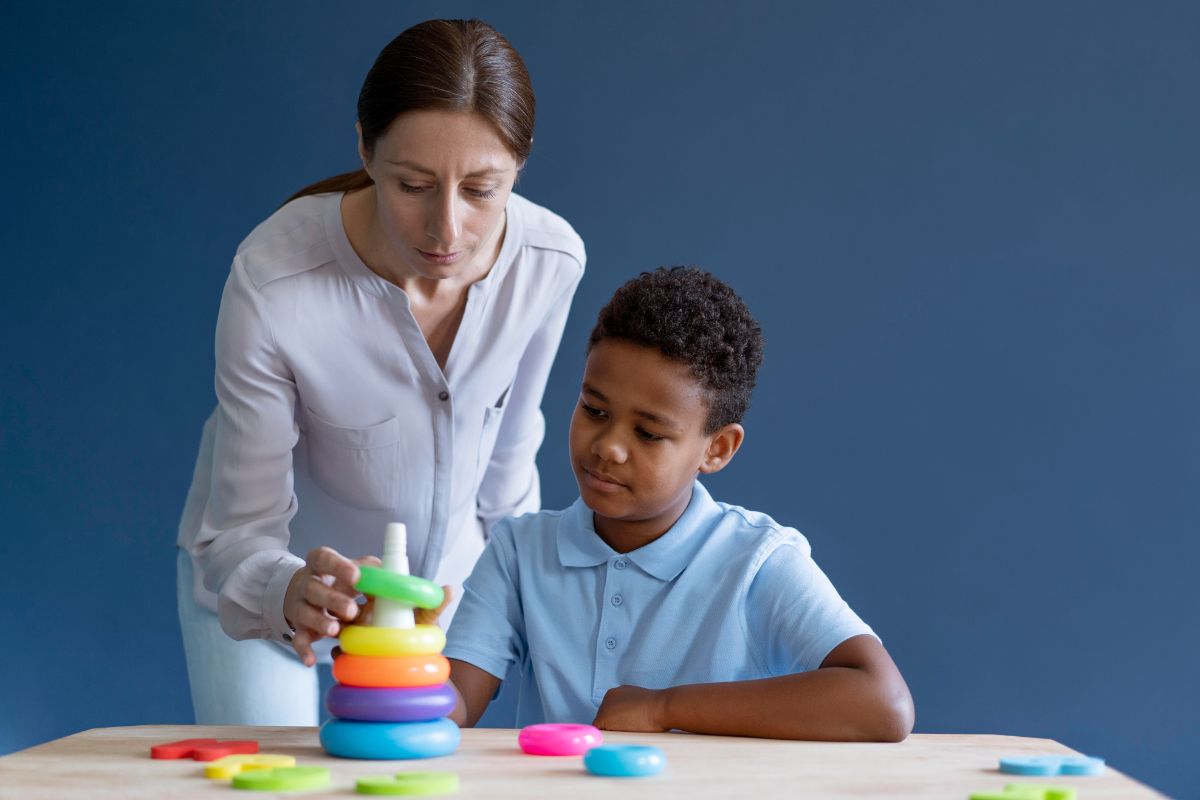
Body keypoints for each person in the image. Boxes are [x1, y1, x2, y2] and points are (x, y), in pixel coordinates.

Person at [176, 18, 585, 726]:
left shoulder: (550, 262)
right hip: (280, 591)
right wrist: (292, 591)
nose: (446, 230)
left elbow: (508, 478)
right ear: (365, 147)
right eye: (413, 184)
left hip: (443, 604)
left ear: (521, 165)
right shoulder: (274, 281)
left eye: (483, 190)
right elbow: (235, 534)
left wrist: (509, 610)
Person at [441, 268, 914, 740]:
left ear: (718, 449)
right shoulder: (520, 551)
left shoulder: (757, 561)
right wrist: (395, 645)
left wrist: (663, 707)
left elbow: (883, 703)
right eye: (594, 410)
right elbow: (452, 708)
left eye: (648, 433)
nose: (609, 447)